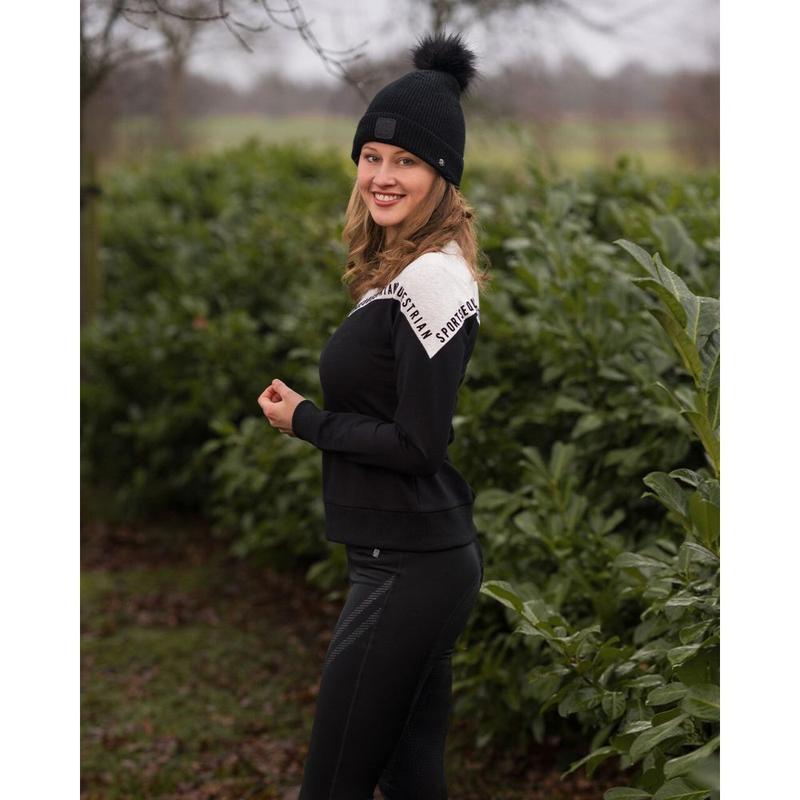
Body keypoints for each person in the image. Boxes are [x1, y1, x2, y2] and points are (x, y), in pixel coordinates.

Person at [258, 30, 490, 800]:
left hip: (410, 566)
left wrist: (309, 422)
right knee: (409, 778)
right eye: (372, 156)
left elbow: (419, 444)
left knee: (333, 785)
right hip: (406, 556)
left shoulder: (430, 281)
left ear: (441, 175)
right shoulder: (402, 273)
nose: (383, 177)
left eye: (406, 161)